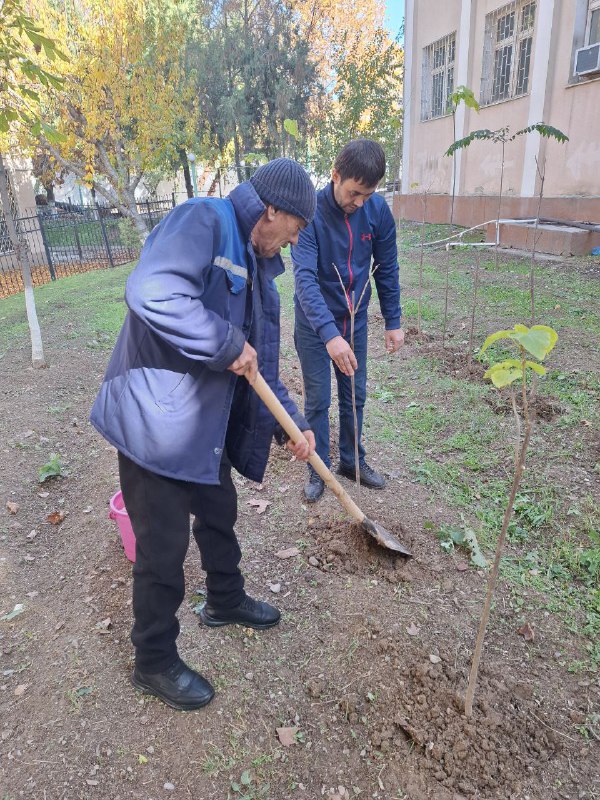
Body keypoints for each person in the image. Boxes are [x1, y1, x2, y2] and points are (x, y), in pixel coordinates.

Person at [90, 158, 316, 711]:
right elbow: (152, 291)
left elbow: (257, 366)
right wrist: (223, 342)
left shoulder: (260, 267)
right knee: (162, 548)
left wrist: (297, 424)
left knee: (219, 511)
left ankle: (225, 598)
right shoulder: (204, 220)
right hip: (156, 425)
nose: (290, 245)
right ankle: (154, 660)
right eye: (293, 232)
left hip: (202, 423)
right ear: (272, 211)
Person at [291, 139, 403, 503]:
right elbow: (304, 280)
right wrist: (328, 335)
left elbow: (386, 269)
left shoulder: (378, 213)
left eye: (367, 195)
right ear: (335, 176)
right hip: (314, 323)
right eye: (354, 193)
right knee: (318, 399)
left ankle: (353, 462)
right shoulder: (310, 214)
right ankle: (319, 467)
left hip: (353, 321)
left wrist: (393, 320)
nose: (359, 202)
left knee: (355, 395)